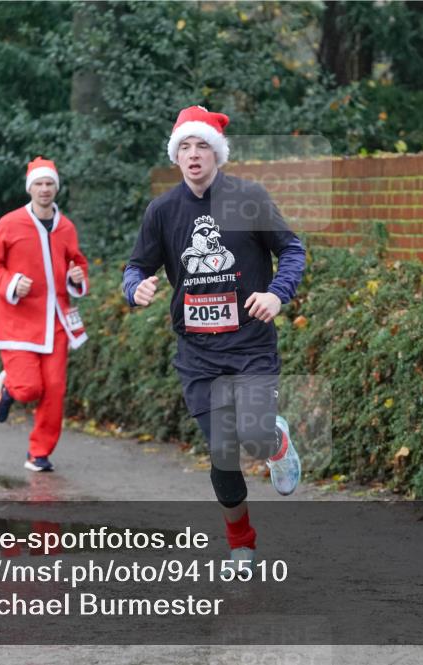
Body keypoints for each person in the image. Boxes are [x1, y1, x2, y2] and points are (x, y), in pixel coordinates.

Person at [122, 106, 306, 564]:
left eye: (202, 144)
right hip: (198, 357)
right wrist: (135, 286)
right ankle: (242, 545)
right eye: (184, 146)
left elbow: (292, 249)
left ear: (217, 153)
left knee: (256, 436)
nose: (193, 154)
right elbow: (137, 266)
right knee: (223, 456)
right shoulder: (162, 211)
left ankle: (275, 443)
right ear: (176, 157)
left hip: (249, 346)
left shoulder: (249, 198)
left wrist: (277, 294)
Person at [0, 156, 89, 472]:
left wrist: (77, 278)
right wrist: (13, 282)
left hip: (56, 321)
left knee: (54, 390)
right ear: (30, 188)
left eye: (49, 184)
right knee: (29, 389)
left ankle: (38, 453)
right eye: (39, 184)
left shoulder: (66, 227)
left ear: (56, 188)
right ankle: (8, 387)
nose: (44, 189)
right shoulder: (9, 224)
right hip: (17, 322)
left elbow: (76, 264)